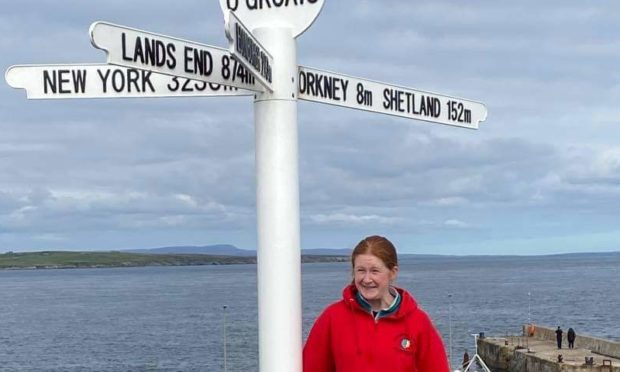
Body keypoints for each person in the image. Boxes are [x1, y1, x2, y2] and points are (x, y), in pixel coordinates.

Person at [303, 235, 449, 372]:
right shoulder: (333, 317)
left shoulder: (417, 322)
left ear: (392, 272)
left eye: (374, 271)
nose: (367, 279)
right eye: (361, 271)